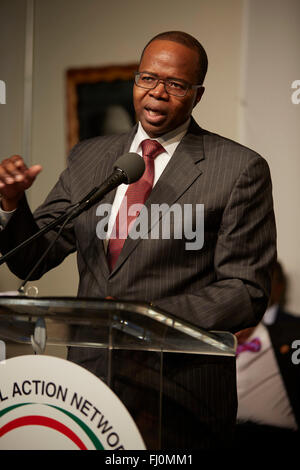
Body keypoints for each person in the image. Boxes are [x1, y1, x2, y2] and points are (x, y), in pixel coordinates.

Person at [0, 31, 276, 448]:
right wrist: (10, 201)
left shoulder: (237, 169)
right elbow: (31, 259)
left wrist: (141, 318)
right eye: (147, 78)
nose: (158, 93)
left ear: (197, 95)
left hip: (179, 392)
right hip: (90, 387)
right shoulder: (90, 157)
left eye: (176, 84)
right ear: (135, 80)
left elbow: (245, 292)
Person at [235, 261, 300, 448]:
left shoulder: (294, 331)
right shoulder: (223, 328)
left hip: (274, 434)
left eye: (266, 279)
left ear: (279, 287)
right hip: (224, 431)